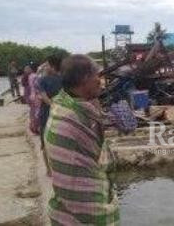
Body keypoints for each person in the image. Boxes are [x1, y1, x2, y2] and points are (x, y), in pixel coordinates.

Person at [44, 54, 120, 225]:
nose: (100, 81)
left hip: (64, 203)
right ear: (85, 78)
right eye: (97, 75)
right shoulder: (73, 117)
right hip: (85, 203)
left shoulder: (64, 105)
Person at [38, 55, 63, 175]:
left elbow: (44, 97)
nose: (45, 66)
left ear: (52, 66)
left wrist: (53, 106)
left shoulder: (42, 80)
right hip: (62, 112)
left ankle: (49, 170)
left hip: (47, 112)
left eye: (47, 64)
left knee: (45, 140)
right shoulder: (64, 79)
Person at [28, 63, 41, 134]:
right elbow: (37, 87)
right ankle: (35, 128)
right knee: (37, 112)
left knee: (32, 112)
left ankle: (32, 126)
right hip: (36, 96)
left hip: (31, 95)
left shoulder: (30, 76)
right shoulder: (36, 77)